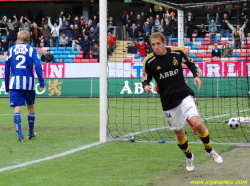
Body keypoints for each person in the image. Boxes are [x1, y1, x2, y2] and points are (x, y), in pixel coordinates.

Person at [142, 32, 223, 171]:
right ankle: (189, 156)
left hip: (184, 95)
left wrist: (196, 76)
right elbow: (145, 79)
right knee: (180, 134)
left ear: (164, 42)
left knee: (197, 123)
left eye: (158, 44)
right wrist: (146, 87)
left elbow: (190, 63)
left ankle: (209, 150)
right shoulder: (149, 62)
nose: (156, 47)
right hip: (168, 102)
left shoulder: (177, 52)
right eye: (153, 44)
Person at [4, 30, 45, 142]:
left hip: (15, 83)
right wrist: (41, 82)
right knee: (30, 106)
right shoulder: (32, 50)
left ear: (18, 38)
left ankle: (20, 135)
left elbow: (6, 69)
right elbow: (38, 66)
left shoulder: (11, 50)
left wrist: (6, 85)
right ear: (28, 39)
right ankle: (31, 132)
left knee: (17, 108)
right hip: (29, 83)